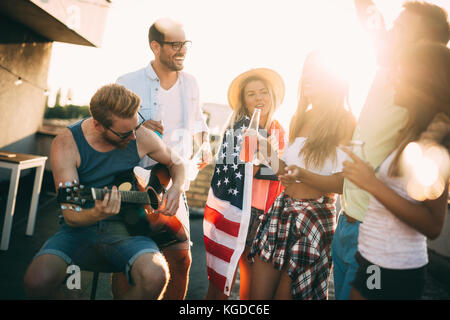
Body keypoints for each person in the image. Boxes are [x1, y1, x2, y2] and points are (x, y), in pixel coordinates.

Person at [331, 0, 450, 300]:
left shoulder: (430, 121)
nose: (389, 31)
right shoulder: (390, 71)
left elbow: (432, 221)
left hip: (383, 252)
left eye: (400, 27)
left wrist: (369, 182)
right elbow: (370, 19)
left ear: (424, 46)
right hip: (351, 220)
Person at [23, 84, 186, 299]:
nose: (134, 137)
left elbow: (177, 162)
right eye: (125, 133)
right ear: (98, 125)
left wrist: (176, 187)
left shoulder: (138, 133)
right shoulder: (66, 143)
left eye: (135, 127)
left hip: (129, 229)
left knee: (156, 276)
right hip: (78, 230)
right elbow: (71, 216)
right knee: (36, 281)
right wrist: (96, 213)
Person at [114, 17, 212, 300]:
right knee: (126, 264)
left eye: (185, 44)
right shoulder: (126, 82)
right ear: (155, 46)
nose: (182, 50)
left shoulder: (192, 84)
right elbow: (107, 131)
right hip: (132, 184)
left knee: (180, 261)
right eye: (175, 44)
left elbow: (199, 129)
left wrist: (199, 155)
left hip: (172, 186)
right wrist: (137, 129)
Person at [247, 52, 356, 300]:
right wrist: (266, 150)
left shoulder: (344, 121)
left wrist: (303, 175)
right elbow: (286, 174)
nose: (307, 77)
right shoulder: (299, 118)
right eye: (306, 71)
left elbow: (341, 183)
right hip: (281, 212)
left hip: (314, 219)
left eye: (316, 73)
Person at [204, 68, 286, 300]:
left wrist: (267, 155)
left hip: (266, 215)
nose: (259, 98)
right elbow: (248, 169)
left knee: (251, 285)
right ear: (244, 100)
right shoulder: (236, 130)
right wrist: (261, 155)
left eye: (263, 92)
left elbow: (279, 173)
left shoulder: (278, 130)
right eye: (251, 94)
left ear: (272, 96)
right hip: (237, 210)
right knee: (220, 282)